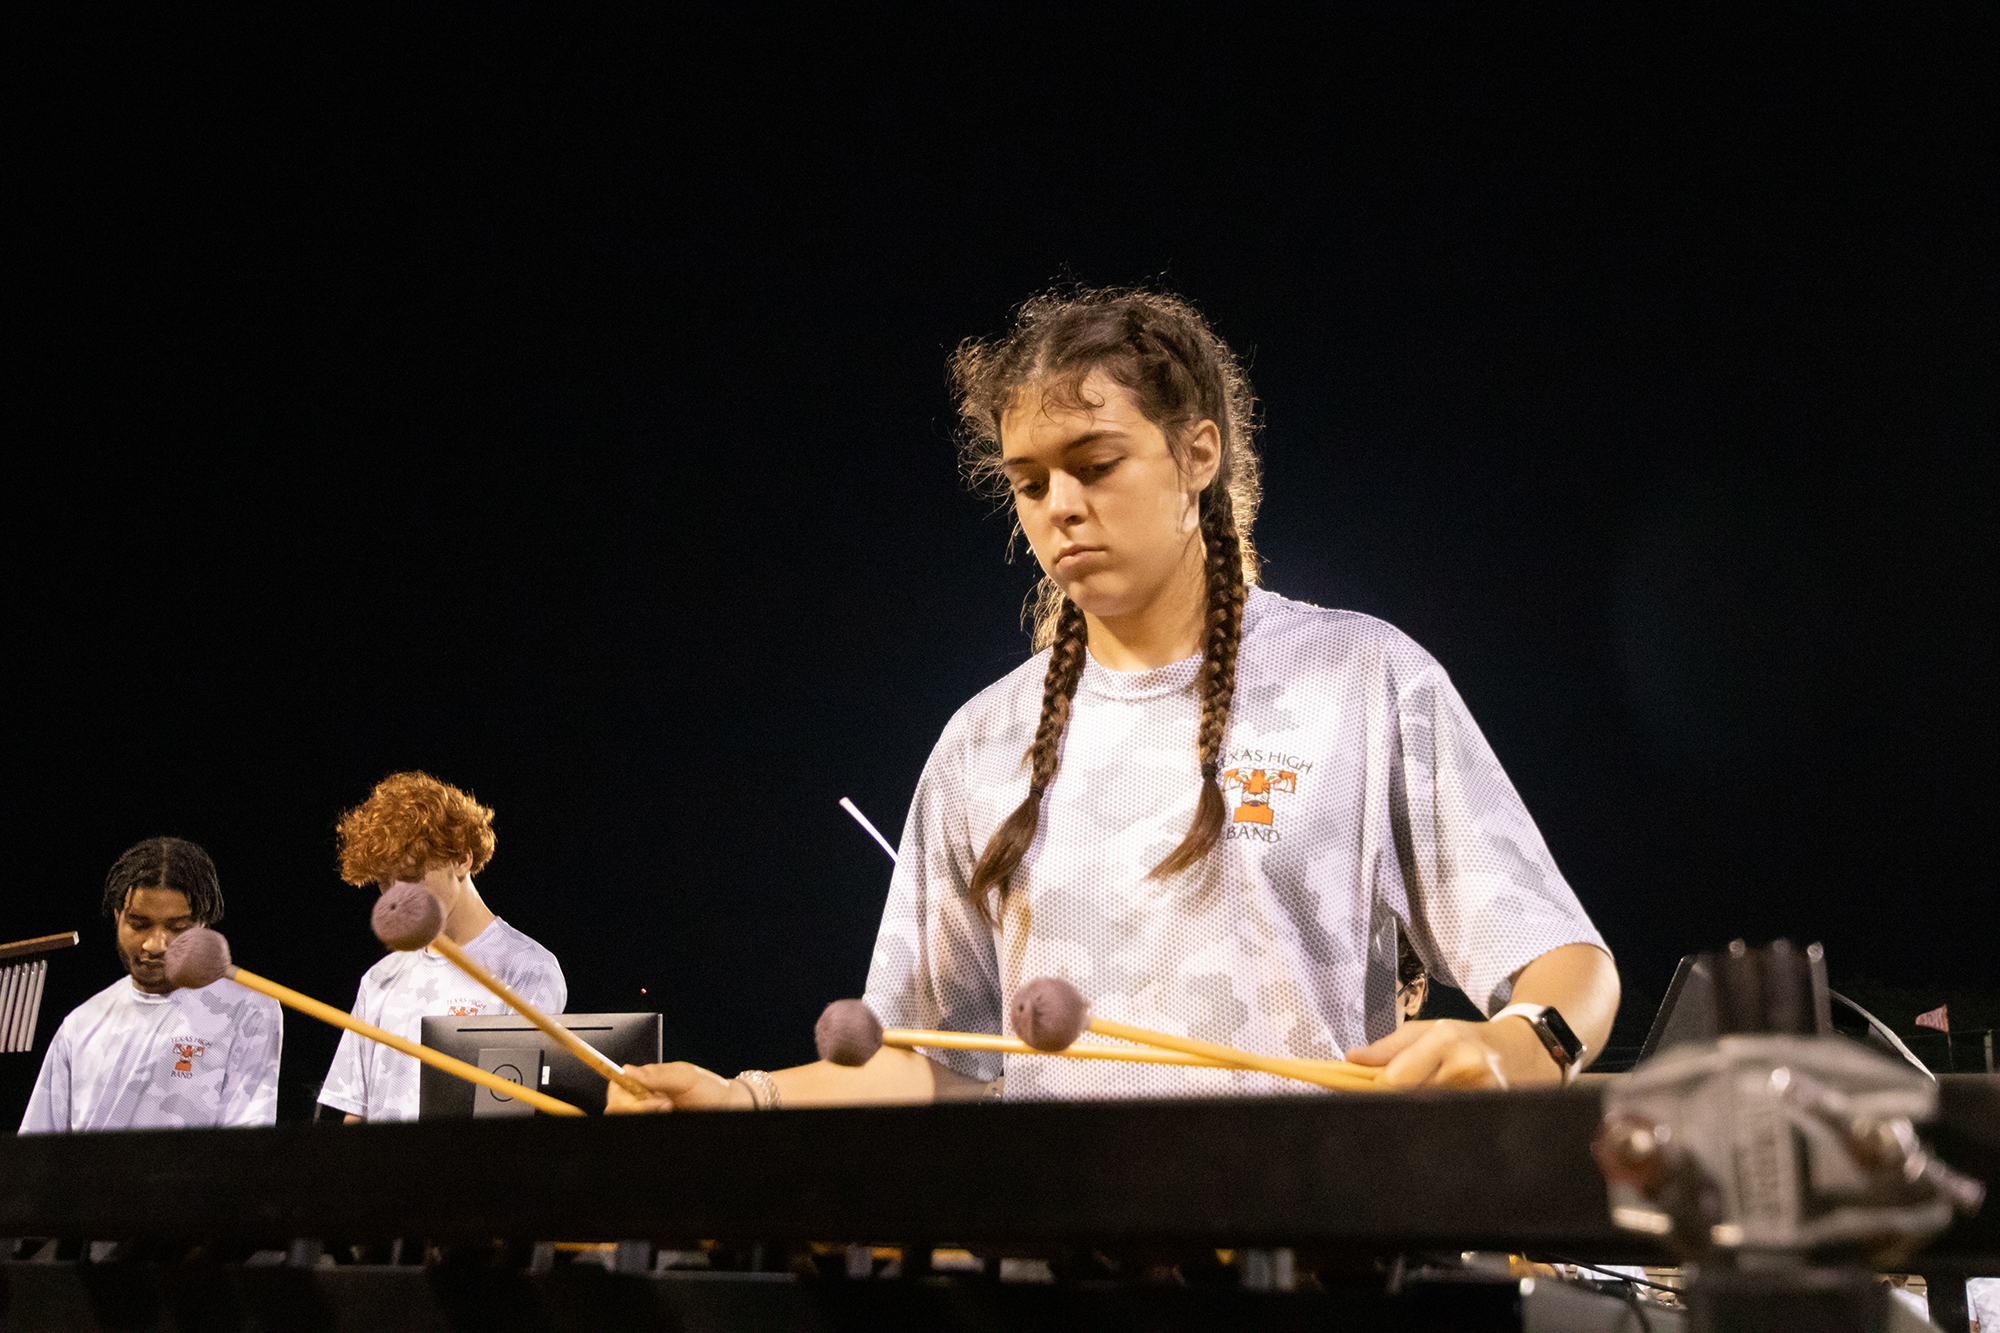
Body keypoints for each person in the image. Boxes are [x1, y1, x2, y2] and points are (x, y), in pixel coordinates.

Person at [609, 287, 1619, 1112]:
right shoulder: (980, 745)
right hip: (1060, 1258)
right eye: (1028, 482)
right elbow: (936, 1058)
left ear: (1197, 456)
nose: (1058, 507)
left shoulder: (1361, 679)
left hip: (1309, 1251)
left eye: (1093, 465)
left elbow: (1563, 959)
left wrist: (1524, 1043)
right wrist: (742, 1100)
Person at [317, 772, 566, 1123]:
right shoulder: (379, 978)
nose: (395, 897)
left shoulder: (527, 968)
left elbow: (507, 1111)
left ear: (462, 859)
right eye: (384, 883)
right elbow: (355, 1114)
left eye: (410, 876)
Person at [20, 837, 282, 1132]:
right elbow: (38, 1155)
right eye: (138, 923)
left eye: (178, 928)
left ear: (203, 923)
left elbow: (246, 1150)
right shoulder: (79, 1025)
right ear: (117, 916)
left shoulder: (249, 1010)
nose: (155, 944)